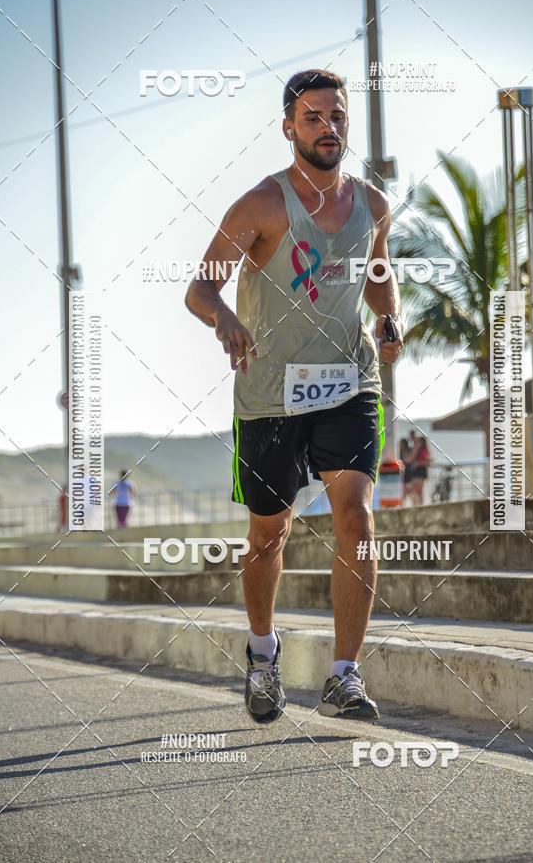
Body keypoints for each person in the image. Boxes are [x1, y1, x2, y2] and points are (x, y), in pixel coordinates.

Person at [185, 69, 403, 723]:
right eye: (313, 118)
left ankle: (344, 675)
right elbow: (201, 288)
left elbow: (378, 274)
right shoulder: (260, 206)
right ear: (289, 129)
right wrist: (224, 319)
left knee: (356, 517)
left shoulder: (373, 204)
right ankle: (262, 653)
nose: (328, 127)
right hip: (271, 393)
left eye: (337, 116)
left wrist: (389, 319)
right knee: (268, 535)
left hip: (348, 384)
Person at [409, 436, 430, 506]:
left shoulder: (424, 450)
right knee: (415, 491)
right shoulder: (416, 449)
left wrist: (418, 463)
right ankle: (417, 504)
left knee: (417, 491)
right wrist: (416, 448)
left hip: (420, 471)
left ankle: (419, 505)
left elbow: (427, 462)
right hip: (415, 472)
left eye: (418, 441)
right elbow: (411, 458)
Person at [398, 438, 413, 503]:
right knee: (403, 490)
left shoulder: (409, 451)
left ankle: (409, 502)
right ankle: (404, 503)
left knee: (408, 489)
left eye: (402, 444)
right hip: (402, 473)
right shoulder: (399, 452)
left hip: (408, 472)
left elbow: (407, 460)